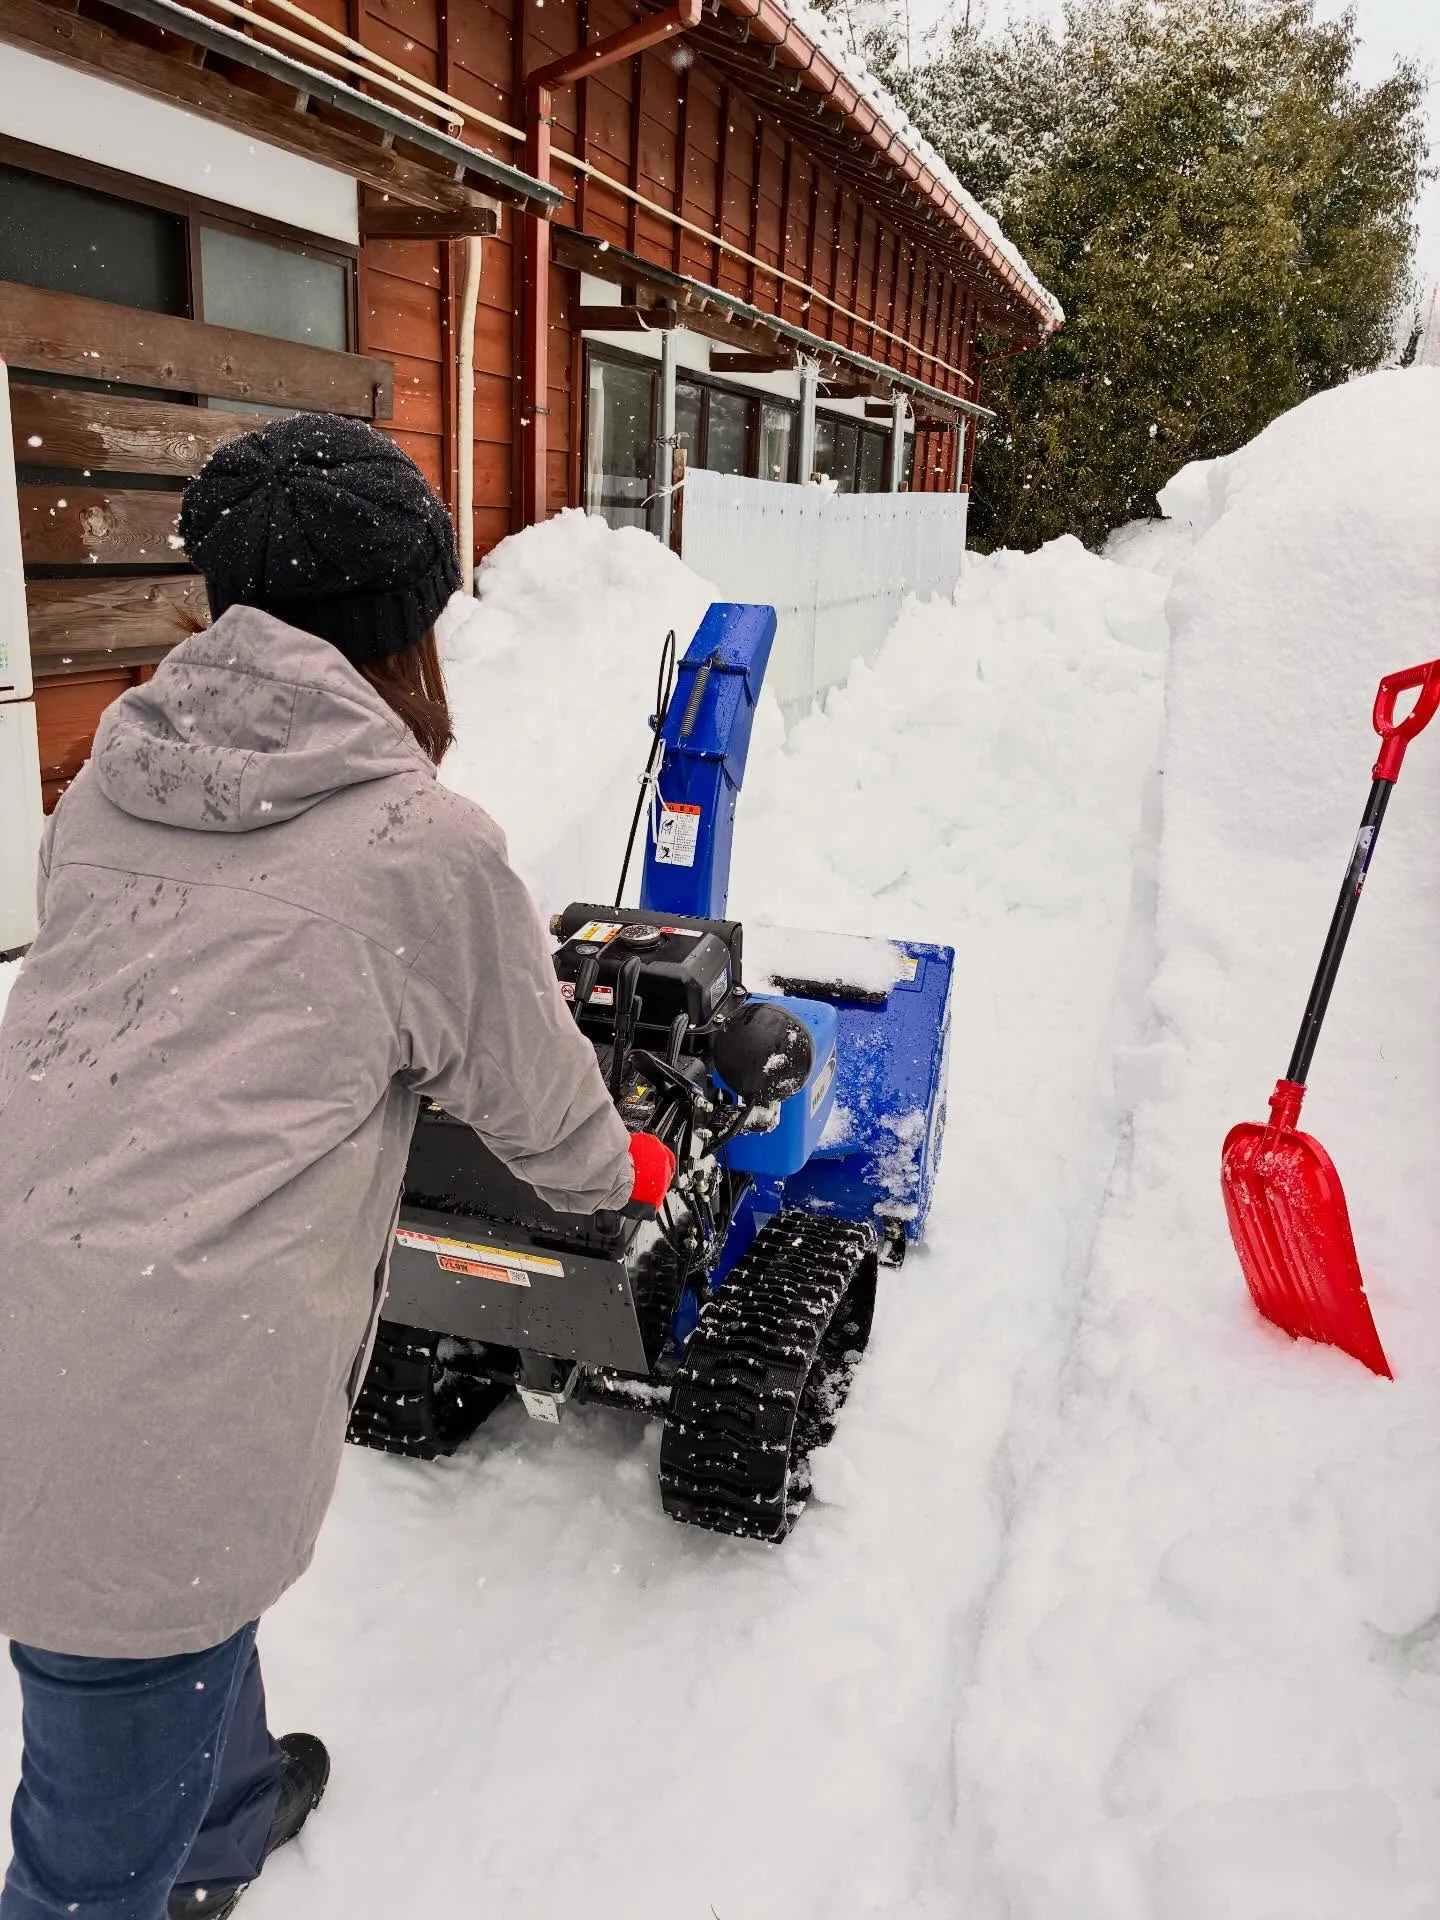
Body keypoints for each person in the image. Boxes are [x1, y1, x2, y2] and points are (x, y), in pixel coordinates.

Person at [0, 415, 676, 1919]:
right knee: (81, 1860)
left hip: (44, 1298)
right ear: (410, 637)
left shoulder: (102, 797)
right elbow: (557, 1132)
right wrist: (623, 1165)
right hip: (128, 1405)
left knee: (170, 1613)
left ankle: (224, 1808)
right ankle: (150, 1866)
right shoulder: (417, 853)